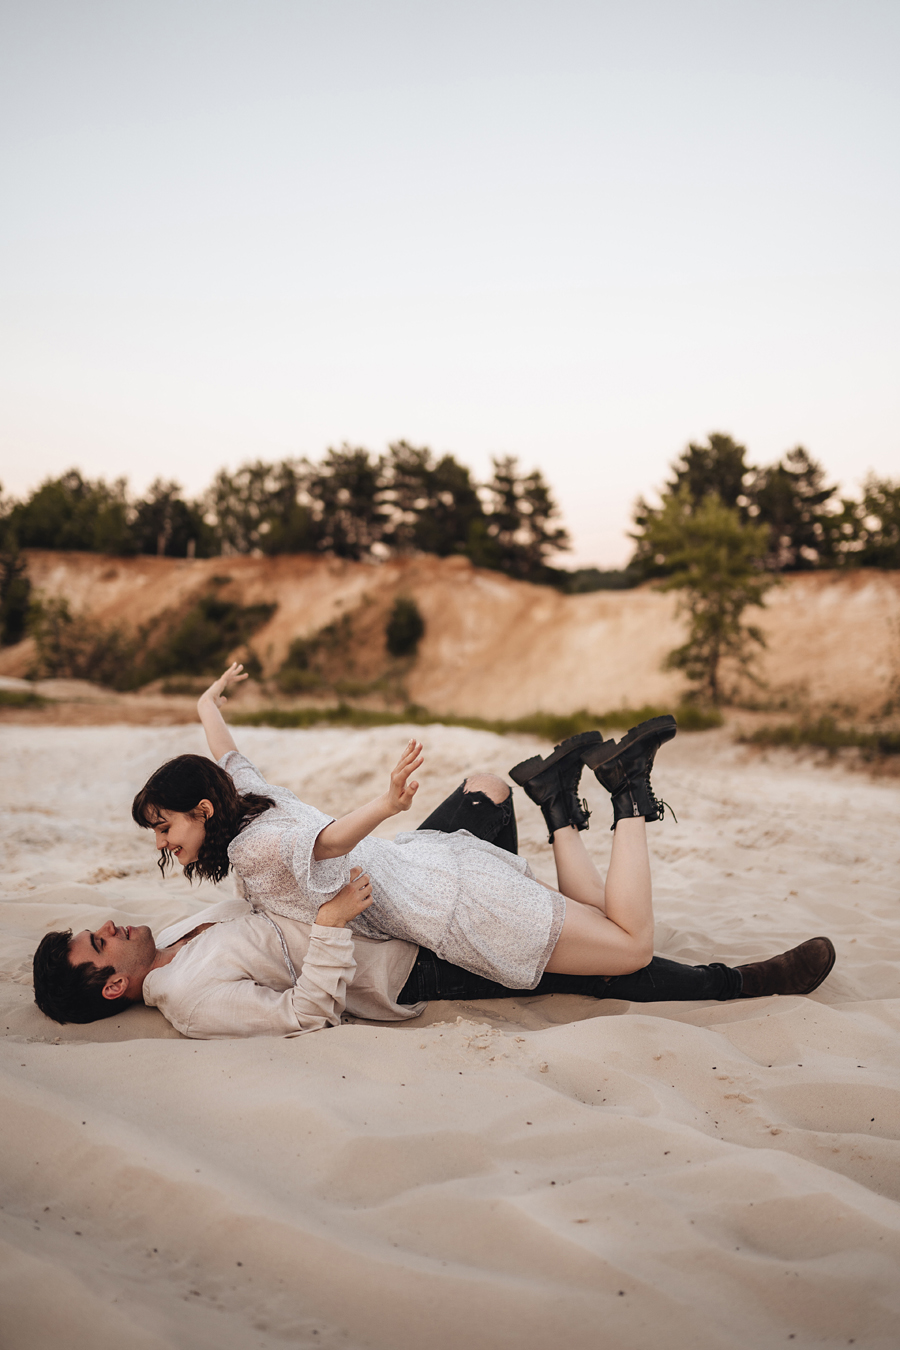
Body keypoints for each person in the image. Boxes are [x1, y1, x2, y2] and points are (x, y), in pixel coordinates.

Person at [32, 665, 836, 1037]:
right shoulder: (191, 993)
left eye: (166, 826)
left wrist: (207, 705)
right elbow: (302, 1008)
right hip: (412, 944)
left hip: (404, 879)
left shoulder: (186, 921)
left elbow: (238, 775)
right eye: (100, 941)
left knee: (488, 789)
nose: (112, 922)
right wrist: (341, 910)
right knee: (613, 955)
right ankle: (721, 973)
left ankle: (555, 803)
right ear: (111, 987)